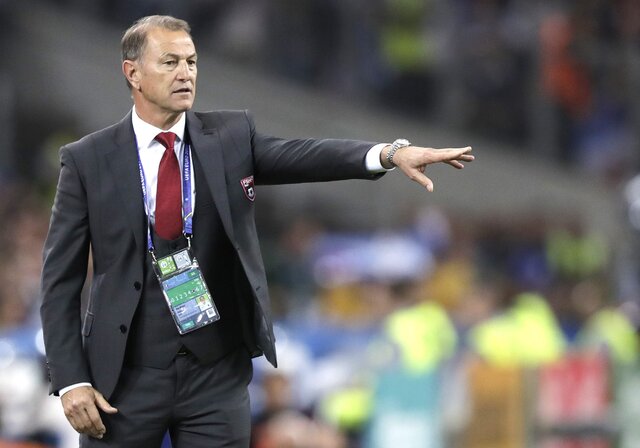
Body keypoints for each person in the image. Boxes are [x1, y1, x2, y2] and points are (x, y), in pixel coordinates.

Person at [39, 15, 474, 448]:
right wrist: (71, 379)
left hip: (215, 374)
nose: (185, 73)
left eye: (191, 61)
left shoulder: (230, 136)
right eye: (169, 62)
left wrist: (389, 153)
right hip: (125, 377)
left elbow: (304, 155)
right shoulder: (86, 160)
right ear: (132, 72)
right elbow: (60, 279)